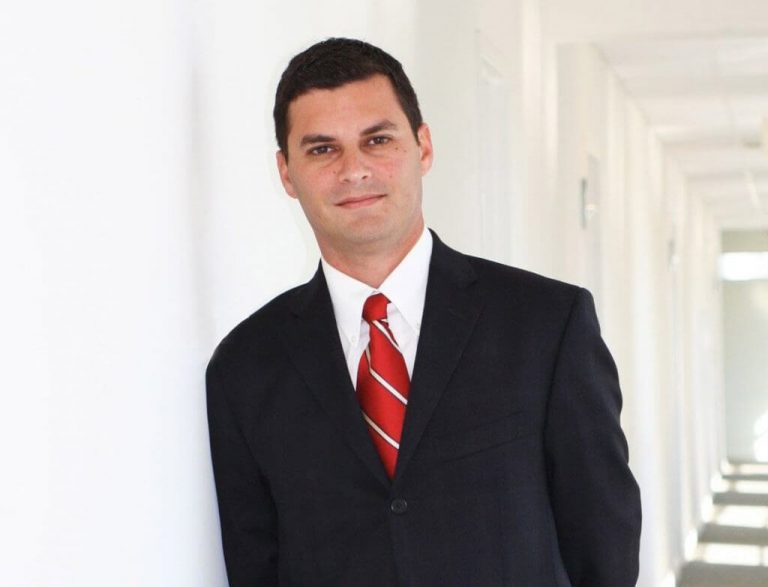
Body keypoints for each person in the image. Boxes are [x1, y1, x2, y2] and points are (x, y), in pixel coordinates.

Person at [206, 37, 642, 586]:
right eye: (322, 149)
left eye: (377, 140)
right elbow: (254, 566)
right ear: (287, 174)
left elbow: (603, 541)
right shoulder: (244, 368)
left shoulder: (547, 325)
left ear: (424, 147)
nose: (354, 170)